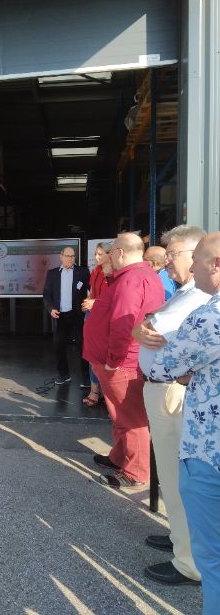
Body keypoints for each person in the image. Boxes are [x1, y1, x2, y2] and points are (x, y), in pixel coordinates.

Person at [148, 232, 220, 614]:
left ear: (216, 264)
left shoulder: (207, 316)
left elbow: (164, 366)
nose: (192, 267)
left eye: (198, 259)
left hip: (209, 450)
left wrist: (188, 372)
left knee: (213, 558)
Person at [133, 225, 207, 586]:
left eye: (172, 255)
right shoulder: (185, 292)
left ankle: (188, 561)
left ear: (196, 256)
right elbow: (145, 326)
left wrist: (142, 329)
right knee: (172, 474)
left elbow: (155, 329)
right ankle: (181, 537)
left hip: (172, 393)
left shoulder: (198, 297)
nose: (166, 262)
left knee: (178, 477)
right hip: (164, 390)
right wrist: (140, 329)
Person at [83, 232, 164, 487]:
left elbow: (123, 325)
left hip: (121, 364)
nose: (108, 257)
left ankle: (135, 472)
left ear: (119, 252)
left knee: (130, 419)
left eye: (110, 253)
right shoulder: (142, 276)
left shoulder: (130, 280)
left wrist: (112, 362)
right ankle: (119, 457)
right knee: (120, 414)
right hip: (125, 361)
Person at [43, 246, 90, 386]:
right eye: (68, 256)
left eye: (73, 256)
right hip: (60, 316)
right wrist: (51, 308)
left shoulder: (83, 272)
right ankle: (63, 374)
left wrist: (90, 301)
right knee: (59, 346)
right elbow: (47, 295)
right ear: (61, 256)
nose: (70, 259)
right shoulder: (52, 274)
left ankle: (86, 377)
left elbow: (92, 290)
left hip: (77, 316)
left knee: (83, 346)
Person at [80, 242, 112, 406]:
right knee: (91, 354)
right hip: (92, 316)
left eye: (100, 254)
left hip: (107, 319)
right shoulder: (96, 270)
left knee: (105, 356)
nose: (96, 257)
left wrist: (95, 303)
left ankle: (109, 394)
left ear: (110, 254)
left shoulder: (116, 272)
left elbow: (117, 299)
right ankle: (94, 390)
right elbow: (92, 291)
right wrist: (88, 301)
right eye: (95, 254)